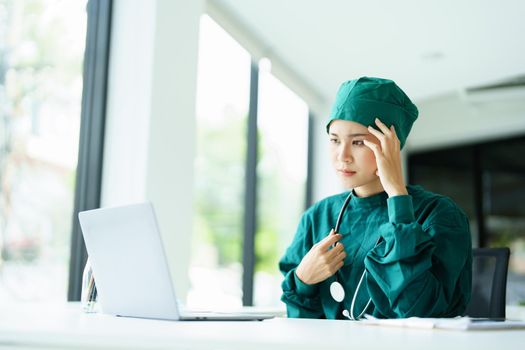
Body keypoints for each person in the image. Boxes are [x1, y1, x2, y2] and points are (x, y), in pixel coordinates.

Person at [279, 77, 472, 319]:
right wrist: (302, 280)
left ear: (391, 144)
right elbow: (300, 322)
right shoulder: (317, 217)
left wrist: (398, 199)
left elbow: (421, 311)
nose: (343, 156)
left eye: (358, 142)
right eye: (334, 140)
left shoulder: (439, 214)